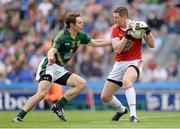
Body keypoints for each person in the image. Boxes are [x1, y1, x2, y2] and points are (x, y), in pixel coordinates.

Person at [13, 12, 112, 122]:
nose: (82, 24)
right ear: (71, 25)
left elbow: (94, 42)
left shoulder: (80, 35)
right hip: (49, 66)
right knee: (42, 93)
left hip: (59, 69)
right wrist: (50, 58)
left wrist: (112, 42)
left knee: (82, 84)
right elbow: (52, 50)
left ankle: (58, 106)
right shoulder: (62, 36)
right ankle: (19, 116)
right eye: (79, 23)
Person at [100, 7, 155, 123]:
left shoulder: (138, 25)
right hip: (119, 63)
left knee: (127, 80)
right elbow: (117, 49)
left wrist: (148, 32)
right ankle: (121, 110)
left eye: (117, 18)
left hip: (135, 61)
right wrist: (127, 35)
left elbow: (152, 45)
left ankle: (133, 116)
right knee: (105, 97)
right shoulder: (115, 29)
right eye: (114, 17)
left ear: (125, 17)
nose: (115, 20)